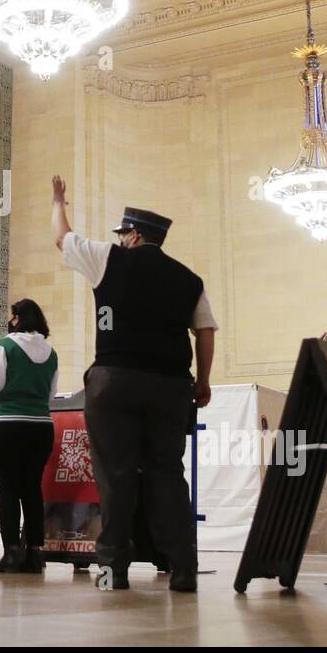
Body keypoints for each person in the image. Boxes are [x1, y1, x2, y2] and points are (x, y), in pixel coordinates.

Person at [52, 176, 217, 593]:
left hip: (114, 381)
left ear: (136, 234)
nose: (121, 239)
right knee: (167, 473)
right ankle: (182, 569)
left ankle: (112, 569)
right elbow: (206, 330)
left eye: (124, 233)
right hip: (170, 386)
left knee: (116, 475)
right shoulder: (189, 279)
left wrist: (58, 201)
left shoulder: (108, 258)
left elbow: (62, 237)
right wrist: (205, 381)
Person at [0, 299, 58, 574]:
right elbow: (49, 395)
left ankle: (12, 551)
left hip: (8, 423)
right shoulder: (51, 352)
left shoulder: (4, 345)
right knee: (32, 489)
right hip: (40, 425)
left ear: (18, 319)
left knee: (8, 488)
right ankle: (35, 553)